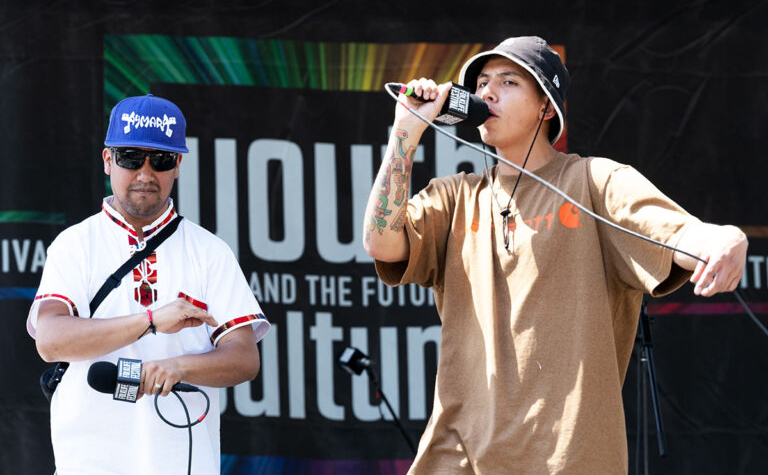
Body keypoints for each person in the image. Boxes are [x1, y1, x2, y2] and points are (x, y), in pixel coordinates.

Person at [363, 36, 747, 474]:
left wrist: (725, 238)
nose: (487, 92)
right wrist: (406, 131)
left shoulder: (595, 181)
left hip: (569, 460)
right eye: (482, 83)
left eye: (508, 82)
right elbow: (380, 242)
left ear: (547, 107)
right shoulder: (455, 196)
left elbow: (683, 236)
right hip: (460, 459)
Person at [27, 94, 270, 474]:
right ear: (107, 160)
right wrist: (150, 320)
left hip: (183, 463)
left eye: (160, 160)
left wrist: (180, 367)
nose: (145, 173)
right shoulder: (76, 243)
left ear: (177, 166)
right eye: (129, 158)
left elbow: (244, 358)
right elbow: (51, 339)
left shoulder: (210, 251)